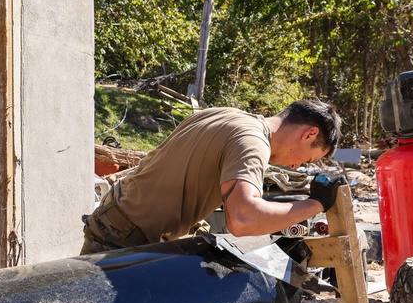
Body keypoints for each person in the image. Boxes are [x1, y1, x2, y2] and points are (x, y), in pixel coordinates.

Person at [82, 99, 344, 254]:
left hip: (117, 218)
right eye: (307, 159)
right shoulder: (254, 143)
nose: (297, 167)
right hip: (121, 238)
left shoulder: (227, 114)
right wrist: (315, 204)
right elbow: (242, 219)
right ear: (309, 134)